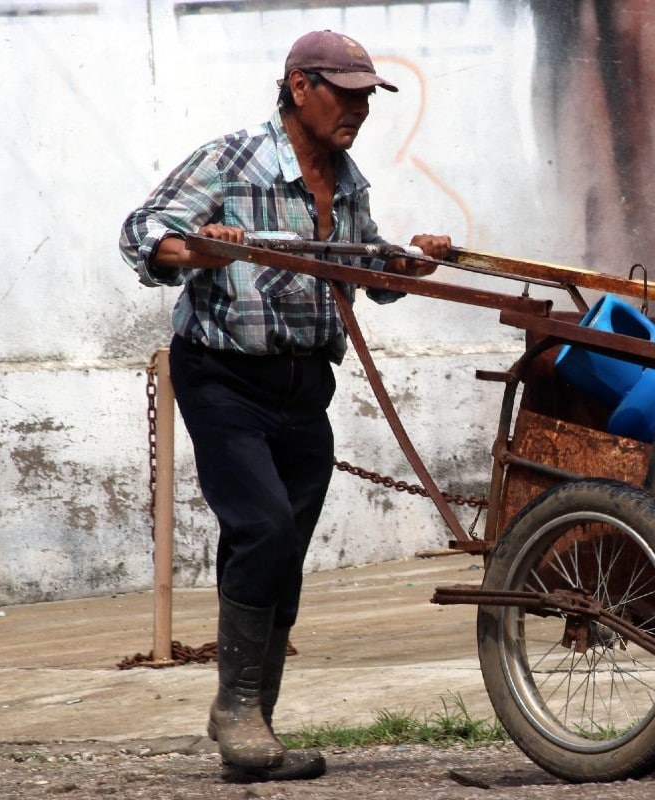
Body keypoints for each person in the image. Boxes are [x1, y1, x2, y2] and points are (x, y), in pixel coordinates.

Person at [119, 30, 452, 783]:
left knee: (286, 552)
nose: (359, 109)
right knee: (262, 524)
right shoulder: (233, 160)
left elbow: (363, 271)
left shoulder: (348, 180)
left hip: (306, 386)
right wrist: (198, 250)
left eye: (368, 95)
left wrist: (407, 264)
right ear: (299, 86)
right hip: (225, 379)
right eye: (346, 91)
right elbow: (143, 232)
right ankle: (237, 710)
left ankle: (252, 722)